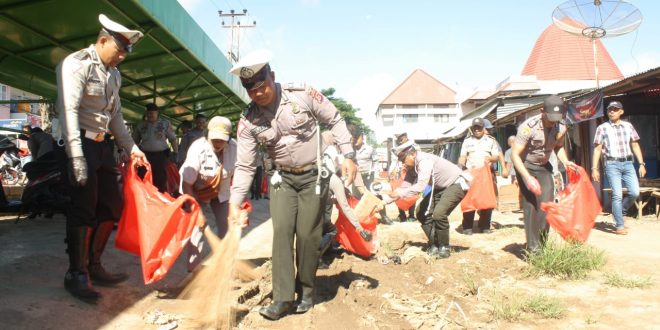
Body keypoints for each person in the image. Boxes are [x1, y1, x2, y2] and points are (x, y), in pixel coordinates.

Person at [227, 50, 357, 320]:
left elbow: (335, 119)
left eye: (262, 87)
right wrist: (234, 201)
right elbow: (245, 166)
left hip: (313, 176)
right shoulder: (248, 120)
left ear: (272, 77)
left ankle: (307, 291)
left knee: (308, 236)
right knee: (283, 232)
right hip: (281, 179)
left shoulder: (303, 94)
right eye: (252, 91)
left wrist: (349, 155)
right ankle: (282, 298)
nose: (259, 94)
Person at [55, 14, 147, 302]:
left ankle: (94, 265)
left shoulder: (114, 74)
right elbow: (68, 110)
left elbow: (115, 117)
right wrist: (76, 157)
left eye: (125, 52)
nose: (121, 56)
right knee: (83, 207)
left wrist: (132, 148)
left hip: (102, 146)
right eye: (118, 50)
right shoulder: (76, 64)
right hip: (79, 143)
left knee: (111, 205)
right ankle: (76, 273)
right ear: (103, 40)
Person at [510, 95, 575, 254]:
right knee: (531, 206)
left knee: (546, 205)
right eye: (550, 118)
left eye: (556, 119)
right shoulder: (528, 127)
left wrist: (566, 162)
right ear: (542, 111)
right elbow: (515, 155)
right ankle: (533, 248)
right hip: (526, 166)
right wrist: (527, 178)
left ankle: (542, 244)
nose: (553, 122)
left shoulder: (561, 126)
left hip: (544, 166)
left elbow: (558, 147)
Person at [386, 141, 468, 259]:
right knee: (421, 213)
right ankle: (434, 243)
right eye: (401, 160)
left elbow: (420, 187)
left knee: (439, 214)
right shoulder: (411, 166)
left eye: (403, 159)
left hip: (455, 184)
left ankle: (444, 246)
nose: (402, 163)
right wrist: (386, 200)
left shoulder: (424, 161)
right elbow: (405, 187)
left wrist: (399, 194)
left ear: (413, 154)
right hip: (440, 188)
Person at [591, 100, 646, 235]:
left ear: (621, 111)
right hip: (611, 164)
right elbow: (597, 150)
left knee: (634, 192)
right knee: (617, 194)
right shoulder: (602, 128)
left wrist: (641, 164)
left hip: (628, 163)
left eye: (615, 109)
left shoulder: (628, 126)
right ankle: (619, 225)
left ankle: (620, 211)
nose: (612, 112)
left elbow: (634, 145)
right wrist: (594, 168)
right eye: (610, 109)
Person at [180, 116, 237, 239]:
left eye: (222, 139)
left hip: (222, 192)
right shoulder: (197, 148)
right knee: (196, 229)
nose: (218, 143)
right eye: (214, 139)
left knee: (227, 228)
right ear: (207, 135)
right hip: (196, 192)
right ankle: (195, 258)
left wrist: (239, 203)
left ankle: (224, 257)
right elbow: (187, 184)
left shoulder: (235, 148)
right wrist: (196, 211)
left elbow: (240, 176)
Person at [458, 118, 507, 235]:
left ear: (483, 128)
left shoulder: (491, 141)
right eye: (475, 127)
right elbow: (463, 156)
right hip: (471, 175)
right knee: (469, 199)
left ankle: (484, 226)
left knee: (487, 199)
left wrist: (490, 159)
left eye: (479, 127)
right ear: (472, 129)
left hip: (486, 175)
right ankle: (467, 227)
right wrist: (460, 166)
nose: (477, 130)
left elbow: (496, 156)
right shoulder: (467, 141)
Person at [348, 124, 393, 224]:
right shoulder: (349, 150)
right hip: (356, 179)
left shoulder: (370, 149)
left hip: (369, 178)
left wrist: (376, 177)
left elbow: (376, 162)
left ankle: (384, 217)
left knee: (376, 196)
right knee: (357, 198)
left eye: (357, 138)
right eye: (353, 138)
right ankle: (363, 219)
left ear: (362, 137)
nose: (355, 140)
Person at [133, 103, 178, 193]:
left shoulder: (165, 123)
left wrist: (176, 153)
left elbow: (172, 139)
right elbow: (135, 141)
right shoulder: (141, 125)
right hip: (145, 155)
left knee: (160, 179)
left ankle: (160, 196)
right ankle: (145, 196)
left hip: (160, 155)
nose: (150, 115)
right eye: (148, 113)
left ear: (157, 113)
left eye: (152, 113)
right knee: (143, 176)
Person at [390, 132, 418, 222]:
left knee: (412, 193)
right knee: (398, 193)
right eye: (398, 140)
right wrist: (391, 172)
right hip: (399, 173)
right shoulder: (396, 149)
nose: (400, 142)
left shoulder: (415, 147)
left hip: (412, 173)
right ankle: (402, 215)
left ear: (406, 137)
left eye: (401, 139)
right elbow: (394, 162)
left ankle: (411, 215)